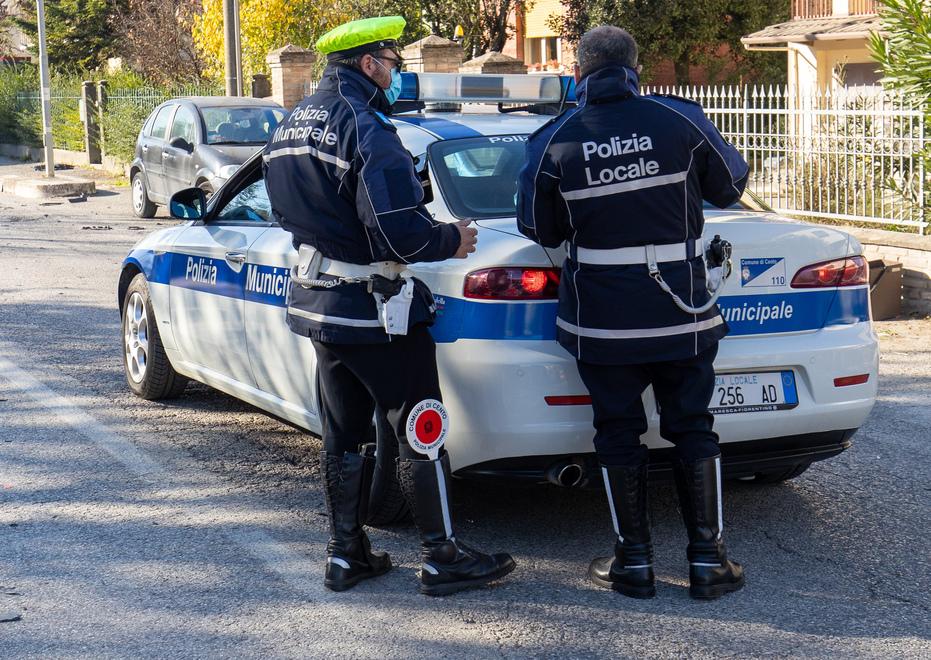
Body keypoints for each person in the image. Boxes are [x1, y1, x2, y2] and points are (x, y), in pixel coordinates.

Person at [263, 16, 515, 596]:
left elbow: (283, 210)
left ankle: (346, 554)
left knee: (342, 433)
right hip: (375, 307)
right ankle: (441, 555)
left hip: (322, 304)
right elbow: (402, 234)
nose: (397, 73)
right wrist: (453, 240)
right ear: (369, 64)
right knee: (420, 427)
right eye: (394, 63)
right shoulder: (367, 126)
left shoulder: (290, 124)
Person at [517, 26, 748, 600]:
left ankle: (635, 565)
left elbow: (536, 227)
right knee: (693, 427)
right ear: (636, 67)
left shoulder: (553, 140)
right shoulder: (681, 120)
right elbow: (733, 184)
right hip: (683, 312)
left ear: (578, 74)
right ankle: (707, 563)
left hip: (603, 319)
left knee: (617, 432)